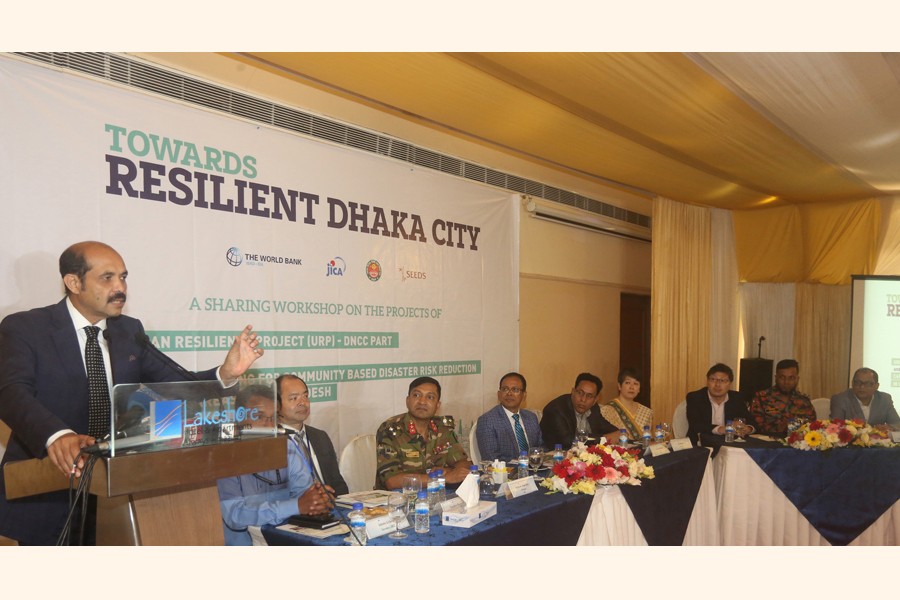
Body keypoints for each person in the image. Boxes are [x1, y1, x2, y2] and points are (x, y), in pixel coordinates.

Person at [0, 240, 264, 545]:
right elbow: (11, 393)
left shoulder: (129, 331)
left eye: (123, 277)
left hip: (114, 497)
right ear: (73, 282)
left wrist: (226, 373)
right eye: (107, 278)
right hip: (46, 491)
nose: (120, 287)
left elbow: (175, 384)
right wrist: (56, 435)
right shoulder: (27, 327)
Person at [216, 384, 333, 545]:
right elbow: (235, 516)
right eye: (259, 416)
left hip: (286, 540)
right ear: (239, 418)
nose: (268, 425)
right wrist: (296, 506)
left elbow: (304, 494)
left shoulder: (287, 447)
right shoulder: (224, 455)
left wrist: (317, 500)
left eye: (273, 418)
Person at [375, 376, 471, 490]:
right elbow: (392, 481)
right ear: (407, 400)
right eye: (416, 395)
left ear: (437, 405)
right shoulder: (390, 430)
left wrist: (448, 471)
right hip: (397, 497)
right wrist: (442, 478)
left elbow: (464, 464)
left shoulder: (442, 428)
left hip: (435, 494)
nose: (422, 401)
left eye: (430, 397)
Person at [276, 374, 348, 496]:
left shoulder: (320, 437)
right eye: (294, 398)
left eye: (305, 396)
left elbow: (338, 483)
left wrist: (333, 499)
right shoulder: (271, 443)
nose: (303, 403)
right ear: (276, 404)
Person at [475, 372, 543, 462]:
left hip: (535, 467)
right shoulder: (487, 421)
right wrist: (522, 463)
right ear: (499, 394)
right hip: (507, 470)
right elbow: (491, 459)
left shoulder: (531, 417)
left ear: (524, 395)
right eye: (505, 389)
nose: (509, 393)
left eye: (515, 389)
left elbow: (541, 449)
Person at [540, 372, 617, 448]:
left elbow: (606, 427)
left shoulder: (593, 408)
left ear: (595, 400)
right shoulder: (555, 410)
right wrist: (603, 439)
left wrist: (619, 433)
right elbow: (567, 441)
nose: (583, 399)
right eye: (580, 393)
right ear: (573, 391)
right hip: (555, 453)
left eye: (589, 396)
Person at [685, 363, 751, 446]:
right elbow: (696, 424)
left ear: (730, 384)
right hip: (700, 444)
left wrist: (748, 428)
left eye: (723, 381)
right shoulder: (695, 397)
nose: (717, 385)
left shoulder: (737, 398)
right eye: (713, 379)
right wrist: (720, 429)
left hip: (730, 445)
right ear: (707, 381)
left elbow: (751, 421)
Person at [747, 359, 815, 435]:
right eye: (782, 377)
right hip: (768, 440)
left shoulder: (804, 401)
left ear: (797, 379)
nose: (786, 382)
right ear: (776, 378)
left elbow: (811, 426)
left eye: (791, 378)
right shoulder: (761, 398)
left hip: (797, 441)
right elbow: (756, 427)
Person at [830, 367, 900, 428]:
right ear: (852, 383)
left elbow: (897, 424)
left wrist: (888, 428)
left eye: (868, 384)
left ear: (876, 386)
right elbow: (835, 427)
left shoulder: (884, 399)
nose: (862, 387)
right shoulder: (840, 399)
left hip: (879, 438)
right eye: (858, 382)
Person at [600, 368, 652, 440]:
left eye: (636, 384)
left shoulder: (646, 412)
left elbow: (647, 438)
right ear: (619, 386)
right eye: (627, 383)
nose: (632, 387)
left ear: (639, 389)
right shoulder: (607, 410)